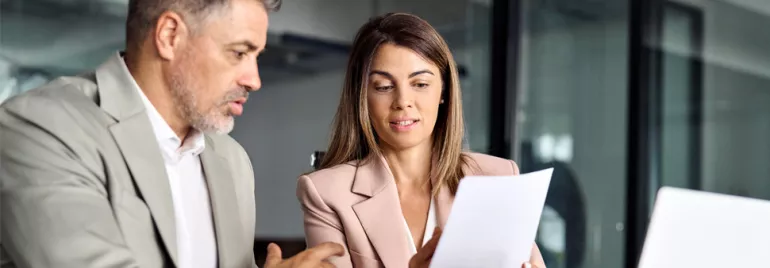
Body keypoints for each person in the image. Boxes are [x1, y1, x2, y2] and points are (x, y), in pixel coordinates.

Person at [0, 0, 343, 267]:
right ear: (169, 36)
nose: (254, 79)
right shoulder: (40, 128)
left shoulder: (232, 160)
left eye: (256, 56)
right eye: (239, 53)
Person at [296, 13, 547, 268]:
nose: (403, 101)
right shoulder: (326, 193)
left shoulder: (498, 178)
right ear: (362, 97)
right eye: (383, 86)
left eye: (420, 84)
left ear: (443, 91)